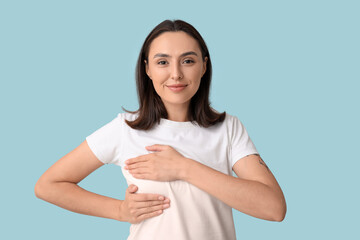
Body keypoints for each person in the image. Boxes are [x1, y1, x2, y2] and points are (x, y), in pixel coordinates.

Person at [35, 19, 286, 240]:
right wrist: (119, 211)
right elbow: (49, 185)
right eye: (162, 62)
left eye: (188, 61)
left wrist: (182, 167)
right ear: (147, 69)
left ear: (204, 66)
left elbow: (273, 208)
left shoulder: (228, 128)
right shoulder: (125, 129)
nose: (175, 74)